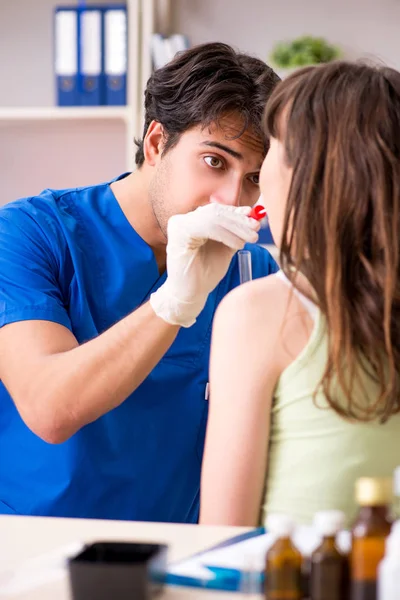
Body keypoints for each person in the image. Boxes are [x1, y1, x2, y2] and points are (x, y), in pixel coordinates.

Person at [0, 43, 279, 521]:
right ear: (156, 143)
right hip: (35, 550)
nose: (232, 197)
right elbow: (50, 408)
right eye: (215, 161)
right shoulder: (29, 235)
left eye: (254, 177)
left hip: (182, 558)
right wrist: (176, 299)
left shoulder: (252, 272)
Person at [200, 61, 400, 528]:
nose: (258, 177)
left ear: (309, 178)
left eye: (274, 150)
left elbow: (222, 535)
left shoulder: (259, 312)